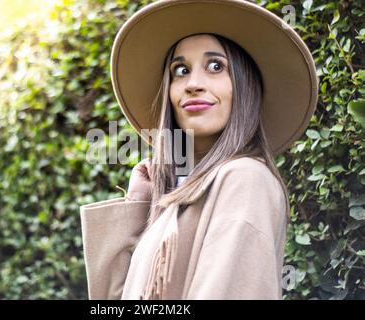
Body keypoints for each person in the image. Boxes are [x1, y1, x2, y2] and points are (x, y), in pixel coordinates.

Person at [80, 0, 318, 300]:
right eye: (180, 70)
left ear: (243, 87)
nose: (193, 83)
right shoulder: (173, 203)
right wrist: (137, 205)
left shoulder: (244, 179)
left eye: (216, 66)